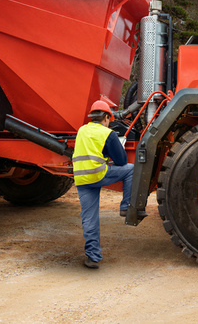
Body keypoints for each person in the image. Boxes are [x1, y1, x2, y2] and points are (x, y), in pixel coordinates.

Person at [72, 100, 133, 269]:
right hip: (97, 174)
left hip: (81, 179)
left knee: (89, 218)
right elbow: (122, 161)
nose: (110, 123)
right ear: (106, 117)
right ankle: (126, 206)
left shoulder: (82, 130)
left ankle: (93, 257)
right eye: (110, 119)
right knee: (131, 169)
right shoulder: (108, 133)